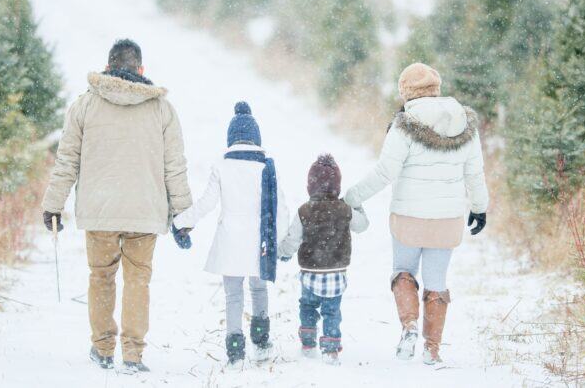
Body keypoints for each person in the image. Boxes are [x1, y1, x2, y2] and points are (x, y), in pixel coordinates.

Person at [40, 39, 193, 374]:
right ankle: (134, 354)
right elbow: (175, 167)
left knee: (101, 276)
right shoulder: (161, 110)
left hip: (100, 211)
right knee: (138, 280)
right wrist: (183, 215)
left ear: (108, 67)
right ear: (140, 69)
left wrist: (53, 206)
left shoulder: (85, 106)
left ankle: (103, 348)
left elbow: (66, 161)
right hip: (145, 212)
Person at [343, 63, 489, 366]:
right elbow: (475, 172)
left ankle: (409, 327)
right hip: (447, 220)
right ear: (437, 88)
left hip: (408, 216)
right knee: (437, 281)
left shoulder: (404, 124)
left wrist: (352, 198)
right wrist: (479, 207)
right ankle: (432, 349)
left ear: (406, 92)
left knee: (403, 271)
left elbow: (385, 172)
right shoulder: (464, 122)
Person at [173, 102, 289, 368]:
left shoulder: (222, 166)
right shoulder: (266, 167)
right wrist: (283, 243)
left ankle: (235, 350)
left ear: (231, 139)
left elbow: (206, 203)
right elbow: (279, 207)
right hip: (259, 242)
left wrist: (182, 222)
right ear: (256, 138)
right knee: (259, 289)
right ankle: (260, 343)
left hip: (230, 243)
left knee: (233, 294)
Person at [279, 154, 369, 366]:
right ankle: (330, 349)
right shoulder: (344, 209)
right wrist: (357, 205)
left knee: (307, 305)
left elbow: (293, 238)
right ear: (337, 185)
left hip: (311, 271)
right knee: (332, 310)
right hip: (336, 273)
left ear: (310, 185)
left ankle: (308, 342)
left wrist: (284, 253)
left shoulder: (304, 210)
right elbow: (362, 225)